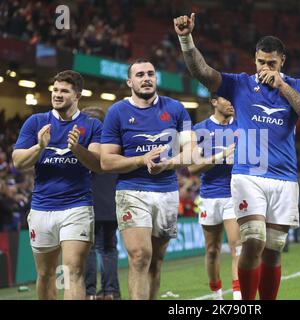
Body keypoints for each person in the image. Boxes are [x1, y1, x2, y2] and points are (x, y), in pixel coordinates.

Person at [174, 13, 300, 300]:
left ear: (282, 62)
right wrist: (185, 38)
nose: (265, 68)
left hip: (285, 177)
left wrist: (281, 85)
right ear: (254, 60)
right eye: (261, 62)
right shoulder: (239, 84)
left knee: (274, 249)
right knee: (253, 239)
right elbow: (201, 71)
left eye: (272, 63)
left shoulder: (296, 86)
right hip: (248, 173)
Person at [100, 59, 194, 300]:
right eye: (140, 74)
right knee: (140, 256)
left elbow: (193, 151)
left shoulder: (175, 108)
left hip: (167, 192)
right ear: (130, 82)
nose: (146, 78)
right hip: (132, 191)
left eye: (151, 73)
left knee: (156, 261)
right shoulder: (117, 112)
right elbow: (106, 161)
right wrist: (142, 160)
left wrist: (168, 164)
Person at [12, 70, 103, 300]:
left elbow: (99, 164)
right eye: (55, 90)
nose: (57, 95)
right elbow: (18, 162)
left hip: (77, 206)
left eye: (64, 91)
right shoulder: (36, 122)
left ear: (77, 95)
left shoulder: (91, 125)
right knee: (44, 274)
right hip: (42, 207)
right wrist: (39, 146)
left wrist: (76, 149)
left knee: (73, 270)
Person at [188, 95, 241, 300]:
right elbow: (192, 167)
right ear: (214, 102)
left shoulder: (241, 126)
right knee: (212, 250)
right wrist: (220, 156)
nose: (231, 103)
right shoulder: (199, 129)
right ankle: (216, 295)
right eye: (226, 99)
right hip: (210, 196)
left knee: (238, 246)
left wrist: (240, 160)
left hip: (234, 195)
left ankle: (238, 299)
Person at [81, 106, 121, 300]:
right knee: (109, 249)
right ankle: (110, 292)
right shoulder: (114, 145)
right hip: (112, 207)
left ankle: (89, 293)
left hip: (89, 206)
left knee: (88, 250)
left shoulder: (82, 146)